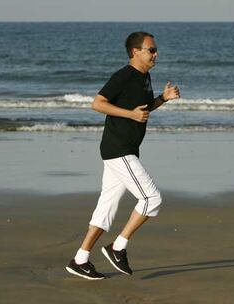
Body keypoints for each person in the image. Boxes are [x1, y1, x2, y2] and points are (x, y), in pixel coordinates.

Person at [66, 31, 180, 280]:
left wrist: (163, 98)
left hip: (125, 149)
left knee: (106, 208)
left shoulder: (144, 77)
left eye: (156, 49)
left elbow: (143, 108)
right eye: (151, 50)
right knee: (152, 198)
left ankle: (80, 259)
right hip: (119, 149)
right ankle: (118, 247)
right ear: (135, 52)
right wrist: (130, 115)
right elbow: (97, 103)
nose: (155, 54)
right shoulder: (124, 75)